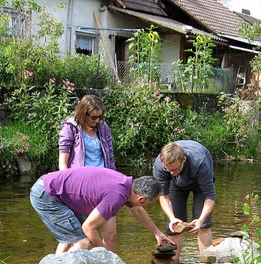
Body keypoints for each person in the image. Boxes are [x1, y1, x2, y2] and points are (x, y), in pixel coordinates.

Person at [30, 167, 173, 254]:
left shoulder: (127, 184)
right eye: (151, 203)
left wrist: (157, 233)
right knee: (84, 243)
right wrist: (105, 253)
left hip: (50, 189)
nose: (145, 206)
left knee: (69, 239)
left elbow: (137, 210)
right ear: (142, 199)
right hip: (47, 195)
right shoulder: (117, 196)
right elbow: (88, 227)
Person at [58, 94, 118, 251]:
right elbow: (63, 161)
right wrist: (65, 188)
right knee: (72, 237)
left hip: (105, 186)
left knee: (110, 234)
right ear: (83, 113)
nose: (97, 120)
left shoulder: (103, 128)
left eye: (99, 116)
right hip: (81, 187)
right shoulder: (70, 128)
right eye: (93, 117)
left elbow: (110, 157)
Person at [153, 140, 216, 260]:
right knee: (174, 227)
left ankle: (206, 263)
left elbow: (210, 196)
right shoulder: (160, 166)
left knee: (204, 226)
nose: (172, 173)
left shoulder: (200, 162)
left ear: (184, 160)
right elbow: (163, 196)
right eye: (168, 170)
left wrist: (201, 220)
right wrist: (172, 218)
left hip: (199, 183)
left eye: (175, 169)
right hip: (175, 186)